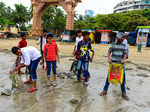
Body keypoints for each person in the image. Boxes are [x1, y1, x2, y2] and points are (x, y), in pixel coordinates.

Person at [100, 33, 129, 100]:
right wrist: (109, 58)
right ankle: (105, 91)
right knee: (109, 78)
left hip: (120, 65)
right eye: (122, 38)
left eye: (124, 38)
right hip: (113, 64)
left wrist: (124, 59)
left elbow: (125, 54)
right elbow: (109, 52)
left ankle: (124, 93)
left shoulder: (124, 45)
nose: (123, 39)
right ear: (119, 38)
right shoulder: (113, 44)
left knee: (122, 79)